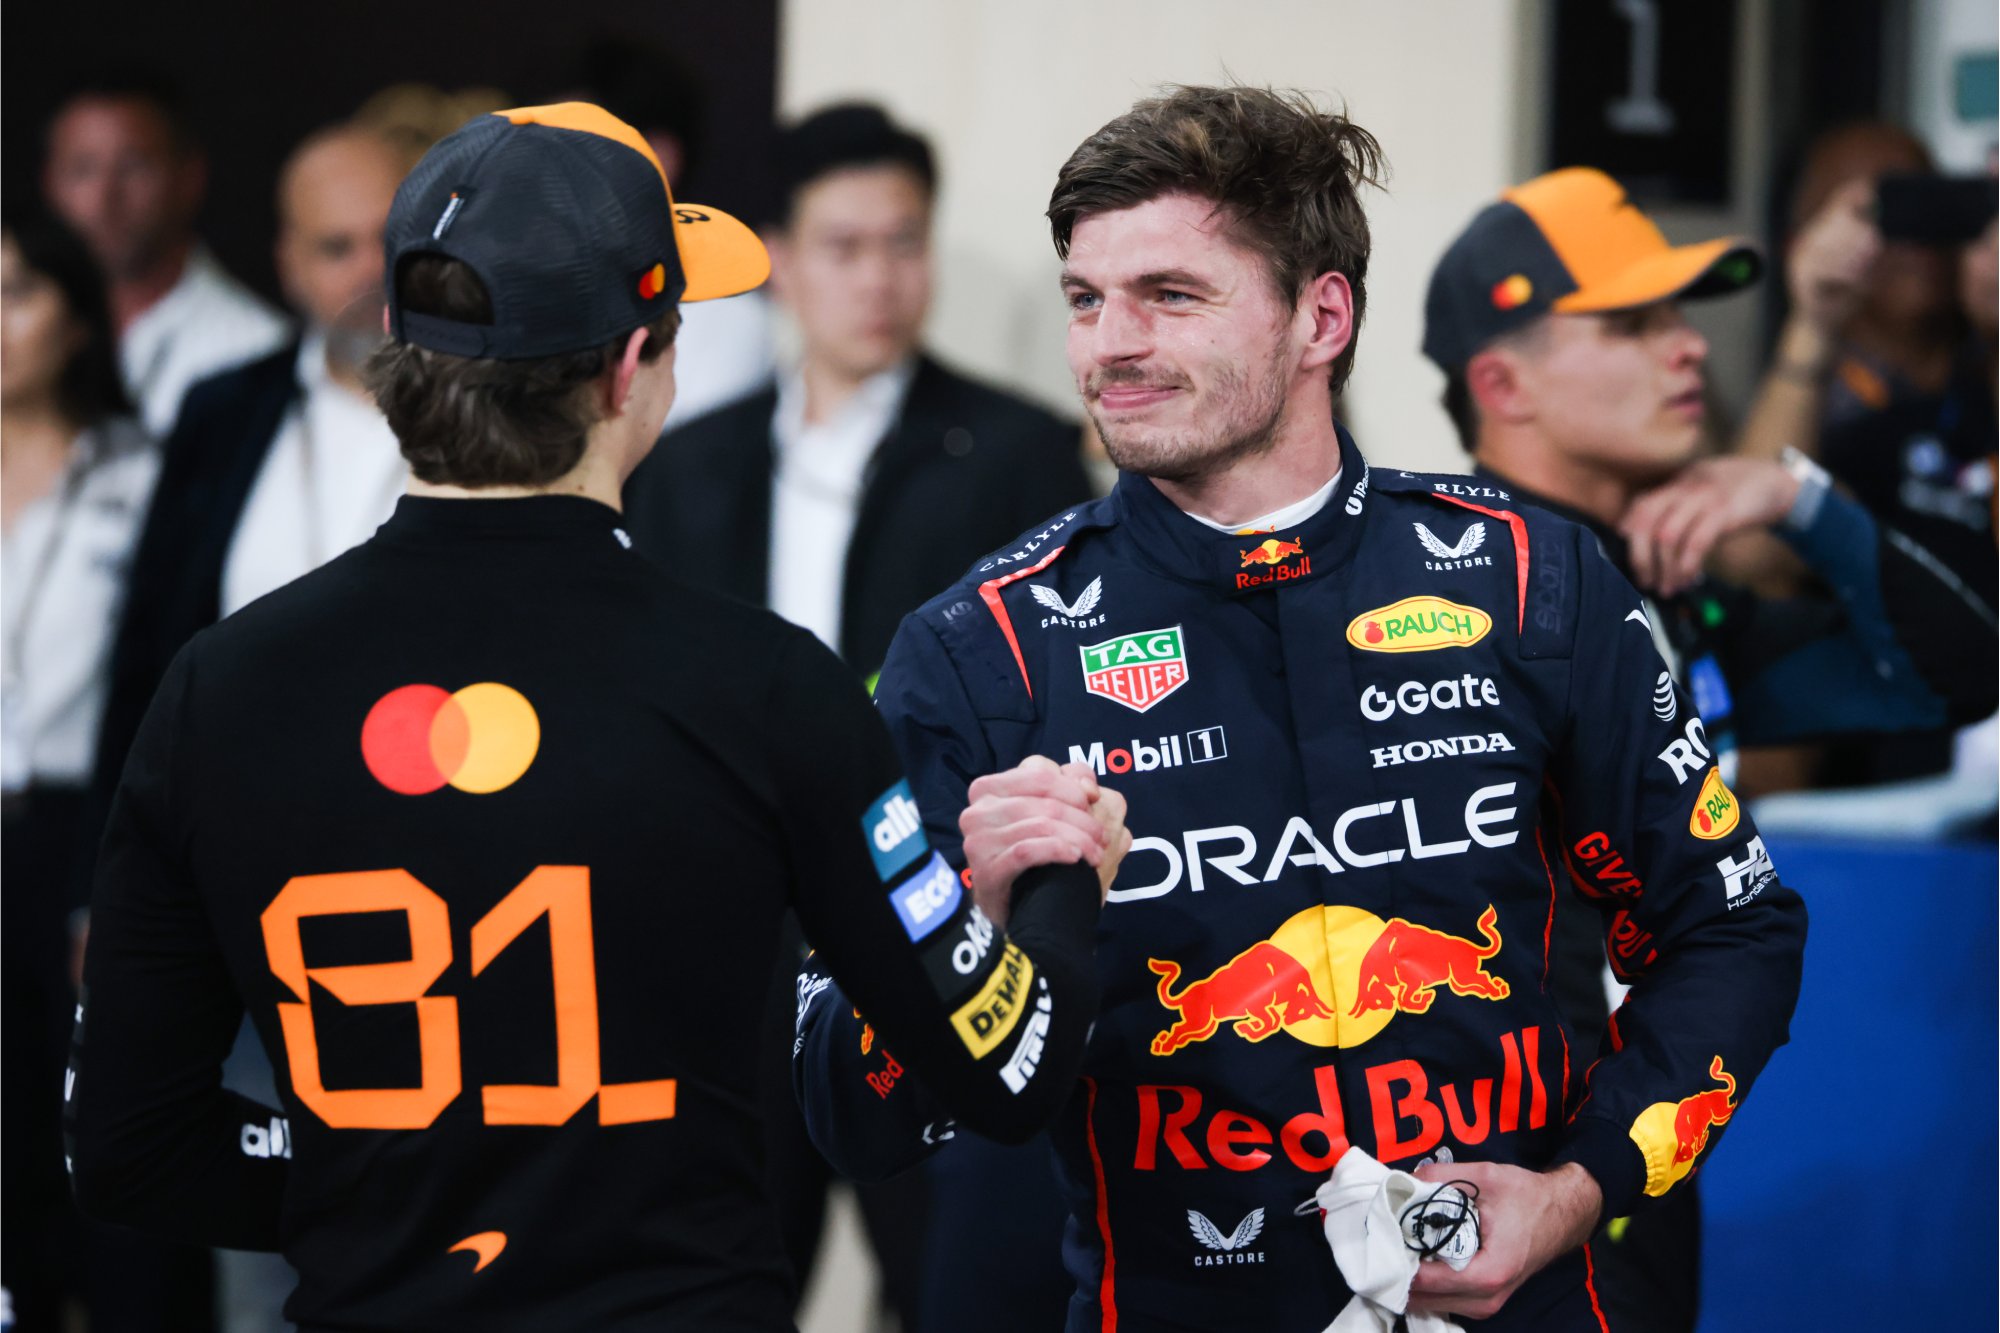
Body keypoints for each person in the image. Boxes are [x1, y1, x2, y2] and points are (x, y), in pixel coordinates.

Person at [64, 102, 1125, 1332]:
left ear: (397, 346)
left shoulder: (220, 688)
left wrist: (378, 1184)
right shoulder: (764, 685)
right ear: (631, 368)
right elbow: (1008, 1071)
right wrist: (1060, 882)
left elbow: (127, 1146)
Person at [793, 86, 1808, 1331]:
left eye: (1170, 294)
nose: (1108, 344)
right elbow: (847, 1110)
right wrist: (971, 936)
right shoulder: (980, 648)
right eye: (1084, 298)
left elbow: (1729, 927)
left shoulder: (1529, 580)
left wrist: (1579, 1188)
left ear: (1321, 315)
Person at [624, 100, 1094, 1329]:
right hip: (728, 931)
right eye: (843, 246)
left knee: (948, 1279)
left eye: (904, 242)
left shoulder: (1016, 451)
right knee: (719, 1280)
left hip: (926, 919)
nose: (878, 279)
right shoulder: (684, 460)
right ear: (779, 258)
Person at [1427, 166, 1996, 799]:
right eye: (1632, 324)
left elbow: (1965, 678)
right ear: (1503, 386)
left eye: (1678, 315)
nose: (1691, 345)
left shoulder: (1666, 591)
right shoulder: (1444, 608)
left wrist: (1798, 501)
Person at [0, 204, 162, 1333]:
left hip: (77, 832)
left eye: (17, 293)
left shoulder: (141, 470)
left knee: (87, 1131)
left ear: (75, 316)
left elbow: (158, 674)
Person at [42, 71, 289, 436]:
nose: (105, 196)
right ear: (50, 184)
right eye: (82, 169)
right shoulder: (20, 339)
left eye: (133, 166)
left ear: (189, 177)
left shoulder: (256, 351)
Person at [569, 34, 775, 429]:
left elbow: (686, 459)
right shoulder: (526, 297)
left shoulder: (728, 320)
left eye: (574, 153)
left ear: (656, 158)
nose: (547, 180)